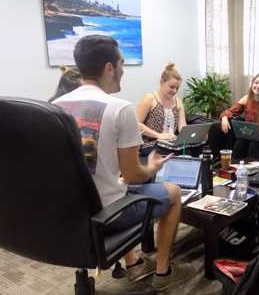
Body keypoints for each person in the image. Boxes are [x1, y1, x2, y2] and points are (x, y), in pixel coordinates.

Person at [52, 35, 193, 291]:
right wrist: (152, 168)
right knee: (173, 192)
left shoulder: (55, 106)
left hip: (65, 212)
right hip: (106, 213)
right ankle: (164, 273)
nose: (123, 70)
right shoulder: (120, 108)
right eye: (121, 64)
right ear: (109, 68)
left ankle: (135, 263)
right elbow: (133, 176)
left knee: (119, 185)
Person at [136, 62, 205, 157]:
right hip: (151, 142)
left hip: (171, 142)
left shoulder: (178, 102)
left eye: (177, 88)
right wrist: (159, 135)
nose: (175, 91)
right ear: (162, 82)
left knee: (193, 152)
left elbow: (182, 129)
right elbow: (137, 124)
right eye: (172, 87)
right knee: (173, 155)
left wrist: (198, 136)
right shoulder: (150, 98)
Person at [219, 73, 259, 159]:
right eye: (256, 82)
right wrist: (225, 117)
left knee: (254, 145)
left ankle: (256, 171)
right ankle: (236, 168)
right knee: (239, 144)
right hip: (251, 134)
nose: (258, 86)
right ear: (252, 83)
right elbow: (231, 111)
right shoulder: (247, 98)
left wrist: (252, 132)